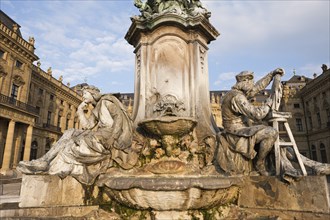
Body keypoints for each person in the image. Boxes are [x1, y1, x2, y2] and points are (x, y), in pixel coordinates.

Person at [17, 86, 137, 185]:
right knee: (70, 132)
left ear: (91, 93)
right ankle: (44, 161)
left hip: (107, 135)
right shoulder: (96, 108)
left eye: (84, 94)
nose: (83, 96)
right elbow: (87, 126)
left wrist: (113, 137)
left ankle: (46, 162)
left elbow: (119, 118)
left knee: (71, 144)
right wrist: (80, 110)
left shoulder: (106, 101)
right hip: (100, 133)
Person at [219, 68, 284, 176]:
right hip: (236, 133)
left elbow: (257, 88)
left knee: (269, 134)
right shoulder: (237, 97)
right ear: (245, 81)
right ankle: (259, 163)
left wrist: (271, 75)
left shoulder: (235, 93)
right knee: (271, 132)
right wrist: (268, 103)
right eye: (251, 82)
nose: (253, 85)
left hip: (238, 130)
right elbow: (257, 115)